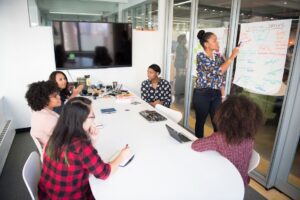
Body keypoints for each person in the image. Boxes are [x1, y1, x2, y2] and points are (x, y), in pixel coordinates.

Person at [38, 97, 131, 199]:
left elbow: (83, 160)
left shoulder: (56, 135)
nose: (93, 120)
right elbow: (104, 173)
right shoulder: (81, 146)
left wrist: (93, 140)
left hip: (47, 194)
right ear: (81, 120)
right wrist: (122, 155)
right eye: (92, 116)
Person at [191, 95, 263, 186]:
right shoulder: (250, 139)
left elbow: (195, 146)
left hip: (222, 183)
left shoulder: (219, 138)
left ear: (223, 117)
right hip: (241, 182)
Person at [193, 30, 240, 138]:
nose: (217, 42)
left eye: (217, 40)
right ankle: (198, 143)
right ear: (206, 44)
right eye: (214, 41)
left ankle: (218, 144)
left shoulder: (218, 56)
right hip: (202, 94)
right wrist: (232, 56)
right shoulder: (201, 56)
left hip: (217, 94)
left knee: (217, 122)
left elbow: (221, 77)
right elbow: (218, 71)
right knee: (200, 121)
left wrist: (223, 95)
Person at [25, 80, 61, 148]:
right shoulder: (49, 120)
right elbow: (65, 140)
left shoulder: (38, 112)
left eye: (58, 94)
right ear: (43, 99)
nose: (59, 97)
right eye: (55, 96)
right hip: (56, 152)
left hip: (50, 147)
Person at [174, 34, 188, 102]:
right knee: (179, 80)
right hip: (180, 66)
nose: (186, 40)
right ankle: (178, 96)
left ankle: (180, 96)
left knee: (181, 80)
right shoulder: (180, 47)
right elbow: (185, 56)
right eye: (185, 39)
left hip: (182, 65)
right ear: (182, 40)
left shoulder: (183, 46)